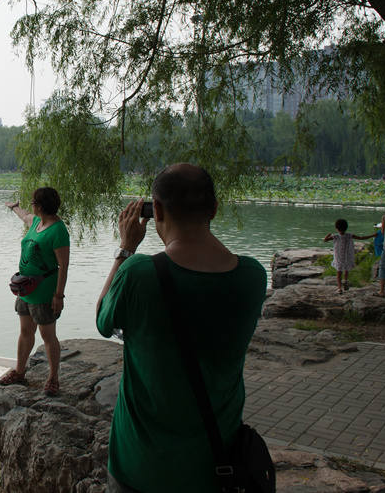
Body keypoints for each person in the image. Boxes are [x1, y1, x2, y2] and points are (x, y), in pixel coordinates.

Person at [96, 164, 267, 492]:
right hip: (215, 467)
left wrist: (125, 249)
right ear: (214, 209)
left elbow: (104, 319)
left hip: (139, 466)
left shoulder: (138, 273)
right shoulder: (252, 276)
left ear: (156, 209)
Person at [1, 187, 70, 395]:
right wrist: (15, 208)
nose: (31, 206)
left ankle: (53, 379)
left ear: (41, 206)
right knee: (25, 331)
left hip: (44, 291)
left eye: (33, 203)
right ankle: (20, 372)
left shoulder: (58, 230)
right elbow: (25, 217)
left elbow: (63, 266)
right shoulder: (37, 222)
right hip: (25, 288)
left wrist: (58, 295)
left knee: (47, 335)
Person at [323, 219, 374, 293]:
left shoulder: (335, 236)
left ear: (336, 228)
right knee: (346, 269)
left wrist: (328, 235)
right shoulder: (349, 235)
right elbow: (361, 238)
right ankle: (345, 281)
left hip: (339, 257)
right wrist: (373, 235)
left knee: (339, 273)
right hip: (347, 256)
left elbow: (325, 240)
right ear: (346, 227)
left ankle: (339, 288)